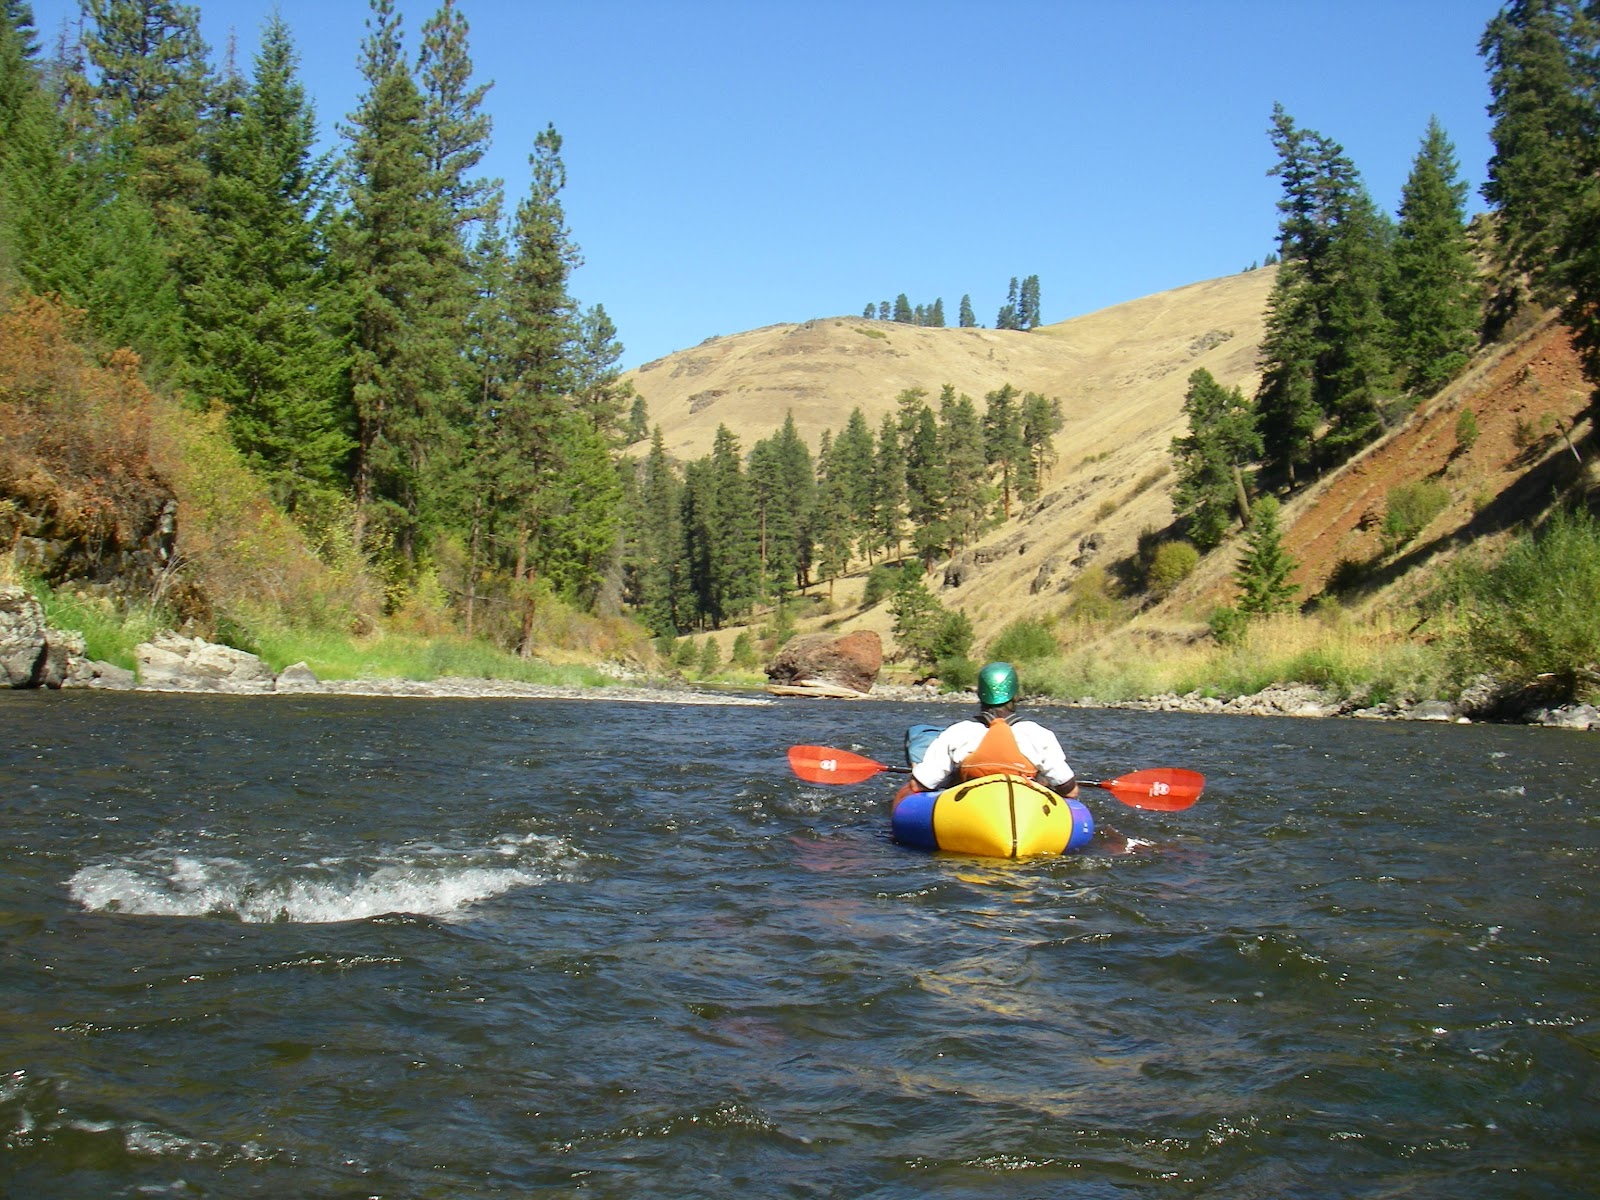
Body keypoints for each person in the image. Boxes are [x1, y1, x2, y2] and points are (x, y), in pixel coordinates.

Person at [909, 661, 1079, 798]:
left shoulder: (959, 733)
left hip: (969, 808)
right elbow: (1070, 791)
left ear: (980, 695)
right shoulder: (1038, 735)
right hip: (1025, 808)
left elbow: (918, 785)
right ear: (1015, 695)